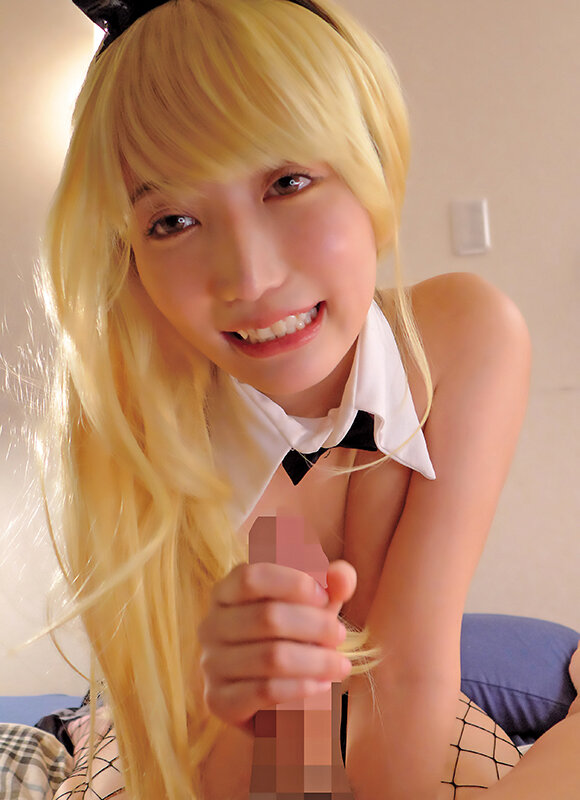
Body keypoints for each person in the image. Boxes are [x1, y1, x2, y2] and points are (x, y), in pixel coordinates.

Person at [34, 0, 577, 798]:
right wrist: (247, 713)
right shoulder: (135, 417)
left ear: (372, 165)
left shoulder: (462, 341)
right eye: (173, 220)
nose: (249, 278)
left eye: (287, 182)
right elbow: (225, 764)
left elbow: (412, 678)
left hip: (411, 715)